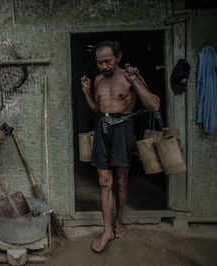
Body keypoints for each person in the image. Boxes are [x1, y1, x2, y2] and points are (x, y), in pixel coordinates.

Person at [81, 41, 160, 253]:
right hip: (102, 128)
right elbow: (98, 108)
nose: (104, 66)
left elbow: (153, 105)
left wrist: (135, 82)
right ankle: (107, 230)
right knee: (104, 181)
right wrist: (87, 91)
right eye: (100, 63)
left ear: (118, 57)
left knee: (121, 180)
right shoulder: (97, 79)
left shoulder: (130, 76)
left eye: (108, 61)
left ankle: (118, 221)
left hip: (123, 128)